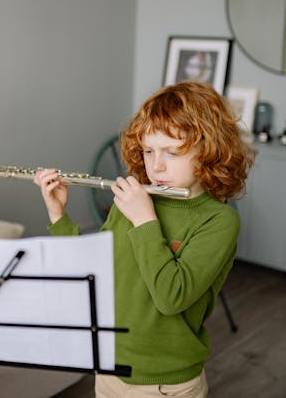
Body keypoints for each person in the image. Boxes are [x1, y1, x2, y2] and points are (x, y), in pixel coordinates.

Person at [33, 81, 254, 398]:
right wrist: (58, 215)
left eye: (172, 152)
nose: (156, 165)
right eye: (149, 151)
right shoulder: (132, 199)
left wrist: (145, 219)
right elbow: (91, 271)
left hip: (165, 382)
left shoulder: (219, 220)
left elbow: (171, 297)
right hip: (110, 367)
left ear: (208, 150)